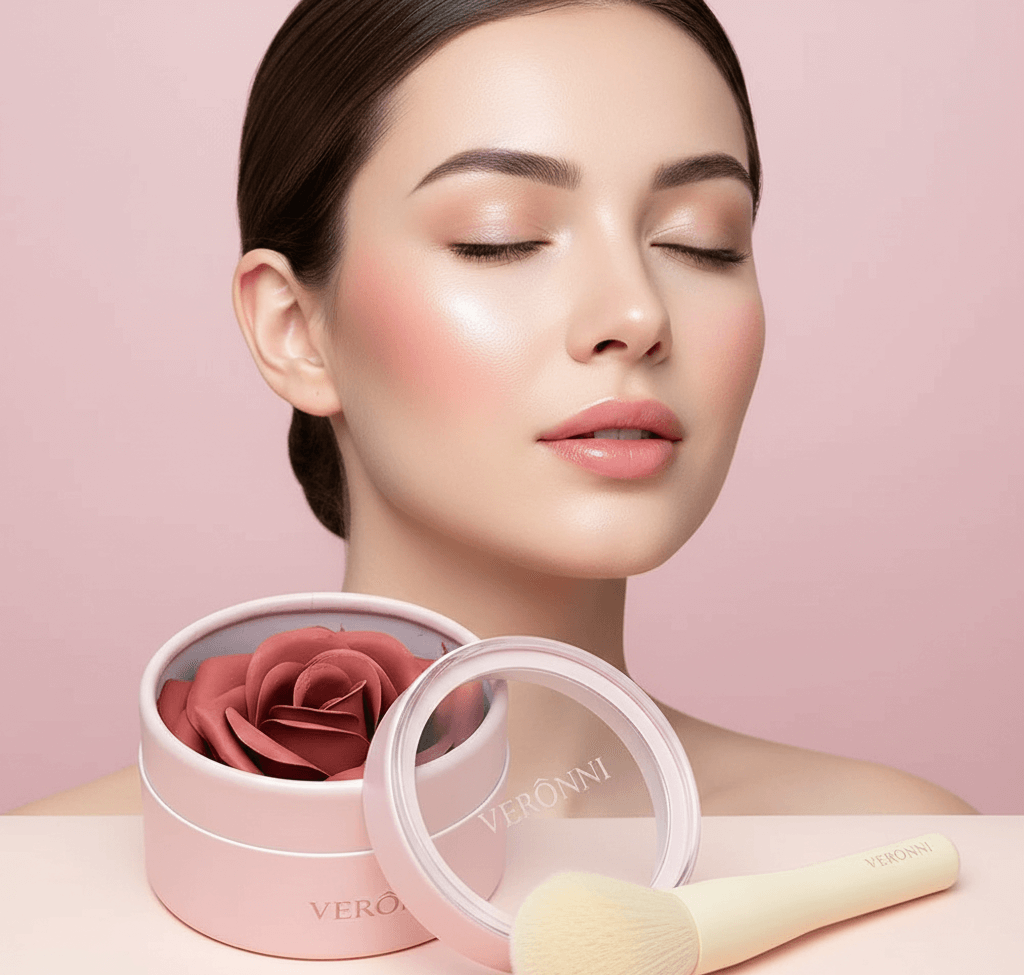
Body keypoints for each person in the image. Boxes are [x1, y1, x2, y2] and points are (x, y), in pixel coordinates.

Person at [14, 0, 973, 815]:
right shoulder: (42, 897)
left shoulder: (898, 859)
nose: (635, 315)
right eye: (498, 238)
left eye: (701, 241)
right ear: (296, 329)